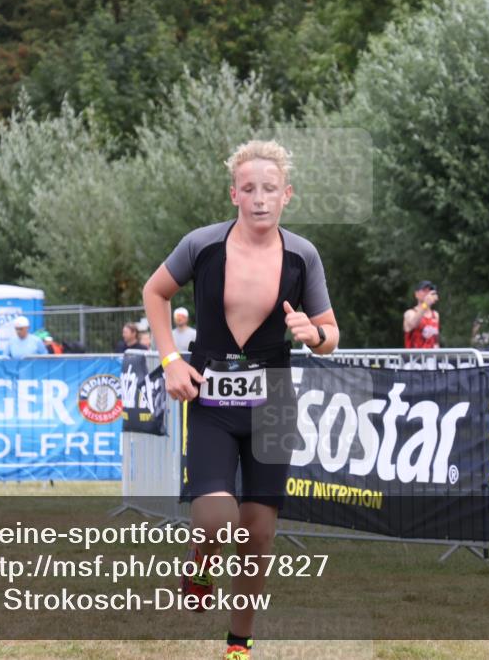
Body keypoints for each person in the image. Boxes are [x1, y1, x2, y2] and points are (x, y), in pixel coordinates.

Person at [143, 140, 338, 660]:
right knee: (214, 519)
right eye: (248, 188)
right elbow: (154, 293)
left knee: (257, 537)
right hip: (211, 402)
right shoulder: (202, 245)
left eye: (269, 189)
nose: (259, 198)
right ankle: (200, 561)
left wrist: (310, 334)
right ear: (234, 193)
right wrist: (170, 361)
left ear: (286, 195)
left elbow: (330, 333)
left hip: (273, 404)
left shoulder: (303, 255)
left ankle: (238, 644)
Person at [403, 280, 440, 348]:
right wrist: (425, 304)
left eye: (429, 291)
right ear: (416, 294)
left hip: (432, 357)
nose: (427, 294)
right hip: (415, 357)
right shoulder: (410, 313)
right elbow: (414, 324)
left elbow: (435, 341)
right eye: (424, 290)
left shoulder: (435, 315)